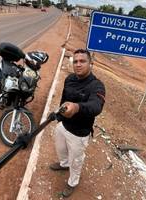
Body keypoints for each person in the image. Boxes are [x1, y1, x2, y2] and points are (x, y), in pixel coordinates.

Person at [50, 49, 106, 198]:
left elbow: (96, 106)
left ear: (91, 63)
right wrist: (58, 114)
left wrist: (77, 107)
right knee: (61, 150)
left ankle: (72, 182)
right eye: (75, 61)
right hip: (63, 126)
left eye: (82, 61)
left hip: (79, 134)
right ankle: (63, 165)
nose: (78, 64)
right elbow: (63, 100)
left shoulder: (97, 86)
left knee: (76, 161)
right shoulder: (69, 79)